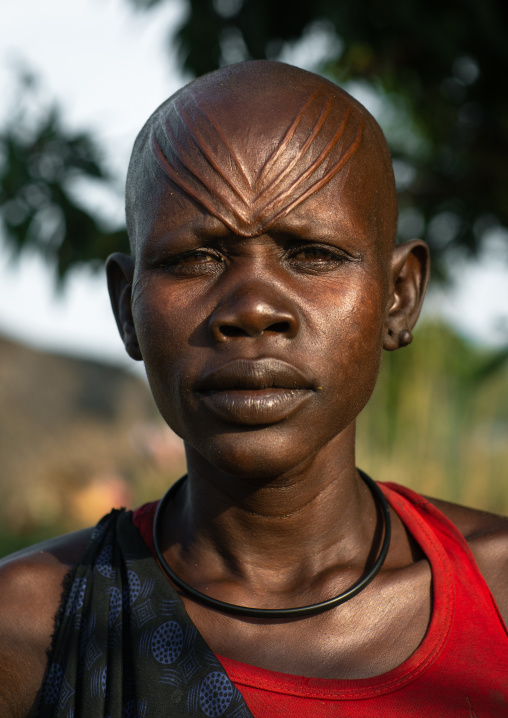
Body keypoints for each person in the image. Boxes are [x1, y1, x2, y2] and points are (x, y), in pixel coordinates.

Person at [1, 60, 507, 718]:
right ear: (128, 308)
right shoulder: (30, 628)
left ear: (399, 297)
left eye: (313, 254)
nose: (254, 308)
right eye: (194, 258)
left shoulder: (495, 593)